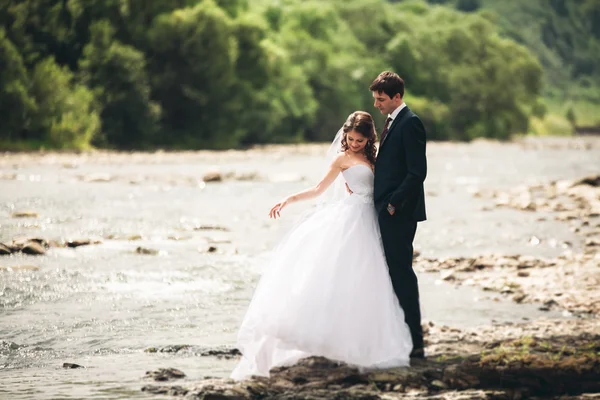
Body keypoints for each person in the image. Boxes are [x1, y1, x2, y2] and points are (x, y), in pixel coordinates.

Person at [231, 111, 412, 381]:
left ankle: (359, 342)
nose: (354, 144)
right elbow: (319, 189)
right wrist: (288, 199)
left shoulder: (374, 156)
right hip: (351, 220)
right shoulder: (342, 159)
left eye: (359, 140)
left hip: (371, 220)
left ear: (368, 139)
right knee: (335, 275)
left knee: (366, 281)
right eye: (350, 139)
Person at [370, 71, 427, 358]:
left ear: (397, 97)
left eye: (381, 99)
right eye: (376, 99)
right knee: (391, 271)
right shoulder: (392, 121)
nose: (377, 104)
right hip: (386, 210)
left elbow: (418, 172)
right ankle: (399, 335)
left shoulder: (411, 123)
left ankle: (415, 341)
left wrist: (393, 204)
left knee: (401, 272)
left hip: (399, 213)